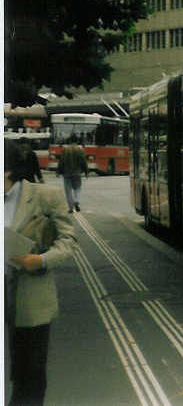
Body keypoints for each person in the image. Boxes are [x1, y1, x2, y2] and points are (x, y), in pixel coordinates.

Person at [5, 139, 77, 405]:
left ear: (7, 170)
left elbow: (68, 241)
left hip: (30, 301)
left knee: (30, 378)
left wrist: (42, 260)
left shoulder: (46, 196)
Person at [56, 140, 87, 213]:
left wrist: (58, 171)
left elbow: (61, 161)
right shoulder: (80, 150)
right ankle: (76, 200)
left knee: (68, 191)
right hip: (77, 173)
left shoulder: (65, 150)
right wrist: (86, 171)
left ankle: (70, 208)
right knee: (77, 188)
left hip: (66, 173)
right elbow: (83, 161)